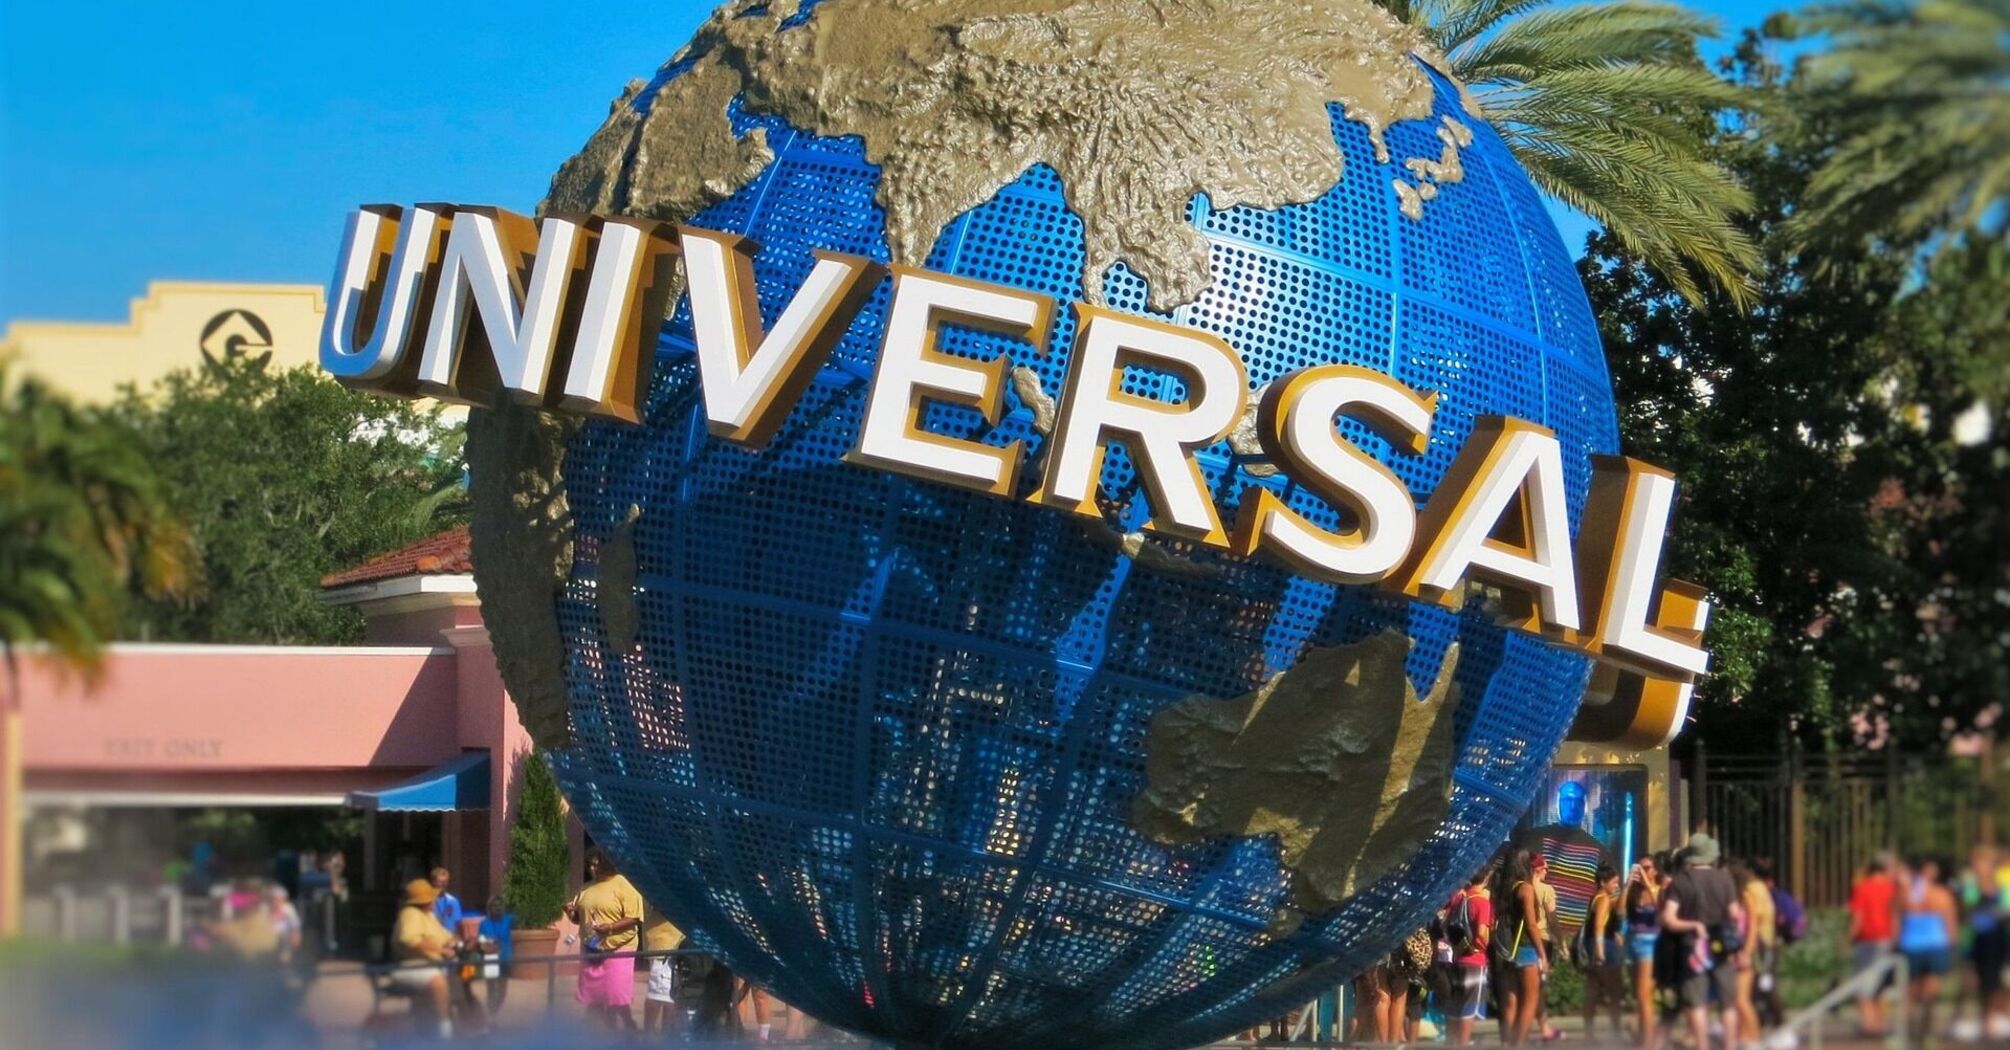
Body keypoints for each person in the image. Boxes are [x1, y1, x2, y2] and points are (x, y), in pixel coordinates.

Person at [1654, 833, 1744, 1050]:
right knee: (1728, 1003)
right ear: (1711, 856)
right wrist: (1736, 940)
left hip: (1692, 949)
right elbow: (1735, 914)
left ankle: (1703, 1046)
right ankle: (1730, 1046)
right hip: (1722, 946)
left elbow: (1669, 919)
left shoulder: (1680, 882)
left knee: (1697, 1002)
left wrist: (1693, 925)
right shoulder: (1724, 878)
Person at [567, 848, 645, 1030]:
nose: (593, 868)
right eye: (590, 865)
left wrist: (610, 927)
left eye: (597, 864)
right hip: (592, 949)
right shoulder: (585, 888)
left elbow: (634, 918)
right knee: (593, 996)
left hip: (618, 949)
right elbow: (579, 919)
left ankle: (627, 1028)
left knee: (615, 995)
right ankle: (597, 1033)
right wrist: (571, 913)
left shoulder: (624, 885)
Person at [390, 877, 459, 1041]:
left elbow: (445, 936)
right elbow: (409, 939)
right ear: (424, 900)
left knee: (460, 982)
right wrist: (440, 949)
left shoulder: (429, 916)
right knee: (438, 982)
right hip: (410, 966)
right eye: (431, 897)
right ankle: (445, 1031)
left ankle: (465, 1025)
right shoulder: (410, 914)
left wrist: (456, 941)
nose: (435, 899)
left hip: (432, 965)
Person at [1899, 857, 1959, 1040]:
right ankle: (1914, 1028)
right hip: (1922, 944)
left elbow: (1949, 920)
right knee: (1914, 990)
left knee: (1927, 989)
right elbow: (1950, 920)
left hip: (1928, 944)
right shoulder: (1932, 893)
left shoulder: (1913, 892)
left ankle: (1922, 1028)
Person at [1494, 849, 1549, 1046]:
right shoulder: (1525, 889)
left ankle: (1508, 1043)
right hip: (1526, 949)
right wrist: (1543, 955)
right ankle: (1519, 1044)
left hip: (1508, 950)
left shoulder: (1503, 887)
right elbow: (1532, 925)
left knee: (1512, 1002)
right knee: (1530, 1001)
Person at [1958, 846, 2010, 1041]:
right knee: (1979, 983)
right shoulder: (1970, 887)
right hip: (1976, 941)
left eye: (1983, 863)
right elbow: (1967, 911)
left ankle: (1996, 1017)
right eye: (1976, 863)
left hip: (1998, 941)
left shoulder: (2003, 887)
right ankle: (1987, 1019)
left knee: (1998, 983)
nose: (1979, 867)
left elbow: (2006, 910)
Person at [1848, 852, 1900, 1038]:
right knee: (1881, 985)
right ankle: (1879, 1023)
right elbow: (1896, 916)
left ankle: (1868, 1023)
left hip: (1866, 941)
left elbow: (1857, 918)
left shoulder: (1862, 888)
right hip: (1886, 940)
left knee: (1862, 984)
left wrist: (1848, 939)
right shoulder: (1892, 889)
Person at [1443, 864, 1495, 1047]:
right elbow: (1481, 933)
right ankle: (1463, 1045)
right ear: (1486, 878)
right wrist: (1486, 947)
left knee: (1455, 1006)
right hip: (1476, 961)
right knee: (1469, 1009)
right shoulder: (1482, 902)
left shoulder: (1459, 900)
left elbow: (1446, 925)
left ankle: (1451, 1044)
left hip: (1457, 959)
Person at [1731, 860, 1775, 1048]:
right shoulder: (1731, 899)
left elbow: (1753, 927)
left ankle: (1755, 1038)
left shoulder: (1746, 896)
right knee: (1736, 999)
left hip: (1746, 951)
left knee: (1742, 1000)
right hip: (1734, 951)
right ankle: (1744, 1036)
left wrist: (1747, 952)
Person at [1582, 864, 1627, 1041]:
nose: (1617, 886)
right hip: (1603, 948)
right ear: (1603, 882)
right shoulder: (1603, 900)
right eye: (1614, 883)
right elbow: (1599, 926)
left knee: (1592, 991)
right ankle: (1616, 1032)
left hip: (1593, 945)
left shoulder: (1596, 897)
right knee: (1615, 990)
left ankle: (1589, 1034)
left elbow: (1619, 910)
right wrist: (1601, 951)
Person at [1627, 853, 1667, 1047]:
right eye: (1640, 868)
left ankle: (1648, 1042)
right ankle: (1647, 1036)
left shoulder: (1659, 890)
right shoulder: (1634, 892)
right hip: (1634, 943)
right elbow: (1620, 912)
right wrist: (1628, 885)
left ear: (1655, 870)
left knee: (1644, 995)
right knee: (1642, 996)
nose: (1643, 871)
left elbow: (1662, 910)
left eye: (1647, 868)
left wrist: (1647, 884)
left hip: (1650, 944)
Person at [642, 900, 687, 1037]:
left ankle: (665, 1038)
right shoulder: (659, 887)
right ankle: (651, 1039)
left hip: (673, 948)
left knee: (669, 996)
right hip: (665, 949)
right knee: (661, 995)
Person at [477, 896, 515, 1017]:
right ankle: (491, 1017)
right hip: (490, 961)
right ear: (489, 909)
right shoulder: (484, 924)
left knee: (502, 992)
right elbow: (481, 943)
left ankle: (492, 1012)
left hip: (505, 960)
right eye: (494, 906)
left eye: (500, 906)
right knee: (491, 990)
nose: (497, 908)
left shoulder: (509, 920)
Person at [430, 867, 463, 932]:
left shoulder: (453, 901)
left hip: (450, 938)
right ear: (433, 882)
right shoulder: (427, 901)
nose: (443, 884)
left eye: (445, 882)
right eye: (440, 882)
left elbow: (458, 924)